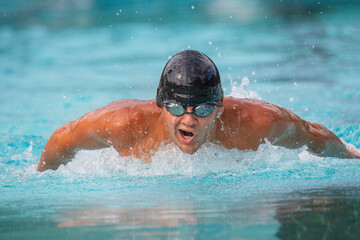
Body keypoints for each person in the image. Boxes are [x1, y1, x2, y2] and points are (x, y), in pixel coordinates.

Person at [37, 50, 360, 171]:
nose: (189, 119)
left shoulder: (256, 123)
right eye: (177, 107)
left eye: (203, 108)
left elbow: (311, 135)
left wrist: (351, 155)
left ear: (220, 105)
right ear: (160, 103)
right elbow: (62, 139)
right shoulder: (125, 125)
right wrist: (42, 181)